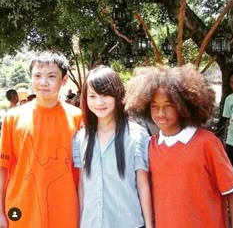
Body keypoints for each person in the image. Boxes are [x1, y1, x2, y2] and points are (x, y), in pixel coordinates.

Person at [124, 64, 233, 228]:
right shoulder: (150, 146)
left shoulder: (207, 142)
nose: (160, 113)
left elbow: (231, 191)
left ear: (184, 105)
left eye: (168, 106)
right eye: (154, 106)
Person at [0, 50, 82, 228]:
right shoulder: (12, 118)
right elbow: (3, 168)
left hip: (66, 210)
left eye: (51, 76)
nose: (43, 82)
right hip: (21, 210)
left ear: (64, 79)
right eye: (37, 75)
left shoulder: (78, 118)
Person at [72, 65, 153, 228]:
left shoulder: (137, 135)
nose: (99, 102)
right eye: (92, 96)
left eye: (105, 95)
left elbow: (143, 184)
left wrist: (150, 225)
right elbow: (82, 184)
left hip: (128, 222)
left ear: (117, 95)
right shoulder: (81, 138)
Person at [222, 70, 233, 168]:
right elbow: (227, 120)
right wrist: (224, 138)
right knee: (230, 169)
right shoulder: (229, 99)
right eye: (232, 83)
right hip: (231, 140)